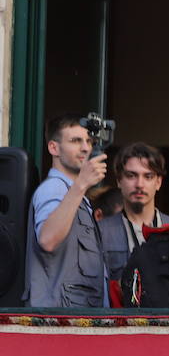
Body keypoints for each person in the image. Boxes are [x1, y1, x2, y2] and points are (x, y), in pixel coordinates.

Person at [26, 115, 108, 308]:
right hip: (60, 322)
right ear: (53, 147)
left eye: (89, 141)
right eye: (75, 141)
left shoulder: (73, 192)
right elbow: (48, 239)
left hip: (79, 319)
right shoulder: (54, 188)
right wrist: (81, 185)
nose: (86, 148)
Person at [99, 142, 169, 287]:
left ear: (158, 182)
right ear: (119, 181)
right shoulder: (101, 231)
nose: (139, 184)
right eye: (131, 175)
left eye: (148, 176)